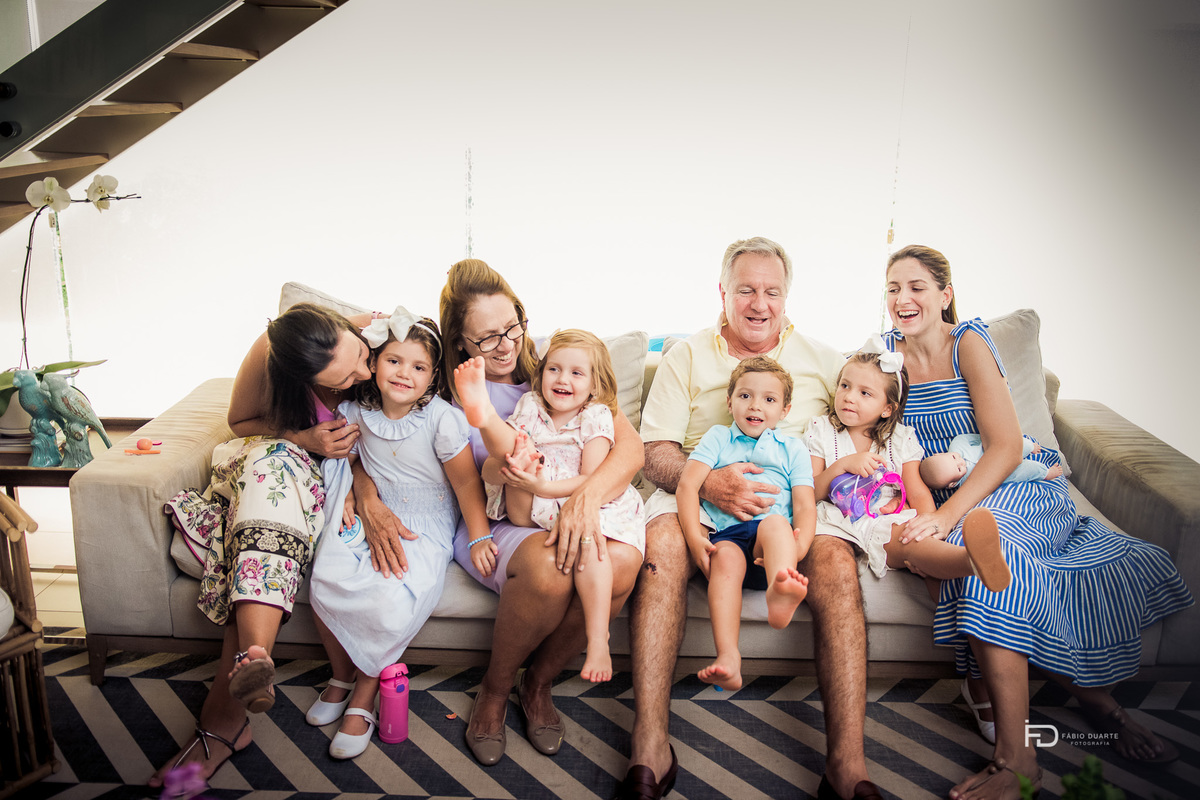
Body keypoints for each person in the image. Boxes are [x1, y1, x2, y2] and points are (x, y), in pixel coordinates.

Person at [882, 244, 1193, 800]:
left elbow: (1004, 448)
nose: (902, 299)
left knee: (994, 559)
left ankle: (1016, 759)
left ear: (945, 295)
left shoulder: (968, 342)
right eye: (892, 289)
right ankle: (1104, 708)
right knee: (986, 564)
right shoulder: (886, 357)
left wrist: (949, 515)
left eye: (916, 287)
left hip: (1014, 487)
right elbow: (877, 435)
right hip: (947, 500)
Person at [350, 259, 643, 767]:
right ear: (460, 342)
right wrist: (363, 489)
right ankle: (495, 689)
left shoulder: (556, 366)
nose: (506, 345)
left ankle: (539, 684)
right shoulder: (436, 387)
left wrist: (584, 500)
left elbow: (630, 450)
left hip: (561, 500)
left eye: (512, 326)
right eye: (487, 338)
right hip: (495, 518)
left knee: (620, 561)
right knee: (550, 569)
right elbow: (368, 430)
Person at [633, 236, 883, 800]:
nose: (759, 303)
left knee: (836, 564)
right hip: (696, 491)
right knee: (662, 546)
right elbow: (655, 452)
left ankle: (847, 765)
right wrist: (709, 483)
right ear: (722, 293)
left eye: (772, 291)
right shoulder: (686, 355)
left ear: (787, 296)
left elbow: (871, 410)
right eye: (746, 289)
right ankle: (650, 746)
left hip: (792, 499)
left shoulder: (825, 362)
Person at [150, 302, 374, 786]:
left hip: (329, 483)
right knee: (270, 471)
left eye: (359, 355)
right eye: (343, 379)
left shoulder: (384, 339)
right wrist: (303, 438)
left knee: (267, 504)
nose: (364, 372)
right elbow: (242, 422)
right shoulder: (275, 347)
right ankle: (252, 667)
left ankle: (234, 696)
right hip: (281, 461)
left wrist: (360, 485)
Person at [304, 308, 490, 759]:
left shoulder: (442, 419)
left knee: (388, 599)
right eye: (394, 360)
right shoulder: (354, 411)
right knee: (326, 576)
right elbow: (349, 458)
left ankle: (365, 694)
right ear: (373, 363)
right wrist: (355, 493)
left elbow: (467, 483)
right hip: (375, 508)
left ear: (433, 377)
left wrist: (480, 535)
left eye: (419, 366)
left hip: (423, 522)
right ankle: (340, 676)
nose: (405, 373)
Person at [454, 328, 645, 683]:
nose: (562, 379)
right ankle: (485, 417)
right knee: (518, 453)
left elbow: (591, 478)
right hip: (532, 500)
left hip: (581, 498)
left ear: (595, 384)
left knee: (593, 548)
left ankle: (598, 638)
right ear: (541, 373)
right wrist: (519, 470)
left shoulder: (596, 415)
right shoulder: (531, 405)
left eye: (576, 373)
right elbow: (506, 470)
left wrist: (542, 485)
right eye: (554, 369)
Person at [807, 337, 1010, 591]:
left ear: (887, 409)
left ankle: (971, 561)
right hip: (835, 524)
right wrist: (842, 466)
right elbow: (809, 492)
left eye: (864, 393)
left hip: (884, 521)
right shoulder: (822, 430)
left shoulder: (900, 438)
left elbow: (917, 491)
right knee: (904, 547)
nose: (849, 397)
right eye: (845, 386)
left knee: (912, 542)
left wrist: (928, 528)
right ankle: (969, 563)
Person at [677, 356, 815, 693]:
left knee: (777, 524)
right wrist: (695, 539)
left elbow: (804, 504)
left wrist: (798, 549)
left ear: (785, 410)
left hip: (771, 549)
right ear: (730, 402)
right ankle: (728, 657)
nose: (755, 405)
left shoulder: (793, 448)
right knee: (724, 558)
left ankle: (780, 591)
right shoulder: (719, 437)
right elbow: (687, 486)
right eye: (745, 396)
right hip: (729, 536)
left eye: (769, 399)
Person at [920, 432, 1063, 490]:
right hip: (1002, 472)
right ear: (952, 484)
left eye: (953, 458)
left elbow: (964, 438)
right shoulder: (967, 484)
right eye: (958, 469)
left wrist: (983, 440)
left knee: (1020, 444)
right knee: (1026, 470)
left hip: (994, 449)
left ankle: (1031, 447)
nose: (961, 462)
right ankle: (1045, 473)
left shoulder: (956, 446)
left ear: (940, 454)